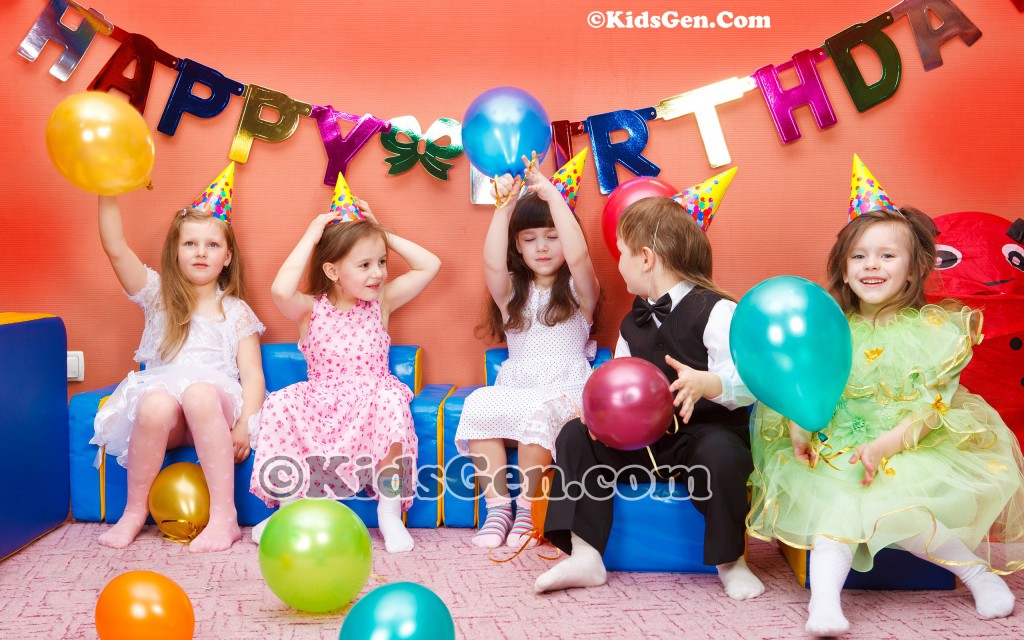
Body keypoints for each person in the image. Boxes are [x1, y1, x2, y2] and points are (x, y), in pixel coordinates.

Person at [747, 207, 1024, 636]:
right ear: (843, 270)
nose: (871, 265)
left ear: (913, 270)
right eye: (858, 256)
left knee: (898, 507)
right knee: (835, 508)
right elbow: (810, 388)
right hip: (838, 447)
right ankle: (824, 604)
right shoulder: (829, 329)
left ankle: (978, 574)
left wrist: (883, 448)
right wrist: (801, 428)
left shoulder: (934, 333)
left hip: (908, 446)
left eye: (887, 256)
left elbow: (931, 411)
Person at [536, 196, 764, 600]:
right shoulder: (633, 322)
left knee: (723, 454)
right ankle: (586, 554)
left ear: (645, 259)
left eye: (621, 254)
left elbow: (749, 382)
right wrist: (599, 413)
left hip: (702, 437)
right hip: (644, 445)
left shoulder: (717, 311)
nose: (618, 263)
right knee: (574, 434)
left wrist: (709, 384)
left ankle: (732, 562)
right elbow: (617, 380)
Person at [249, 186, 440, 554]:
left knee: (391, 402)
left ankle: (389, 513)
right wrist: (312, 235)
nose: (378, 273)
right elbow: (280, 289)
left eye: (381, 262)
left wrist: (381, 233)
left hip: (371, 399)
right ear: (332, 270)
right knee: (281, 404)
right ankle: (289, 512)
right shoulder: (309, 309)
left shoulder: (381, 302)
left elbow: (430, 265)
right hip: (321, 402)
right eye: (364, 265)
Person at [92, 164, 265, 553]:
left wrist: (244, 426)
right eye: (190, 244)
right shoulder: (157, 296)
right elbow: (115, 248)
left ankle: (224, 517)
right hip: (168, 417)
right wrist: (105, 186)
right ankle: (134, 512)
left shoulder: (235, 310)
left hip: (214, 409)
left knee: (199, 393)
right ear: (175, 252)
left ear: (228, 257)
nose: (201, 252)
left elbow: (253, 376)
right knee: (154, 403)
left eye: (212, 245)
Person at [456, 151, 600, 549]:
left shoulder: (579, 292)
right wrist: (503, 209)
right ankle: (498, 508)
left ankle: (527, 510)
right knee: (479, 404)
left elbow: (580, 256)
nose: (542, 247)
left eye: (552, 237)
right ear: (517, 247)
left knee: (539, 413)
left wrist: (552, 196)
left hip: (565, 390)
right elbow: (491, 264)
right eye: (530, 239)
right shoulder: (511, 296)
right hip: (519, 384)